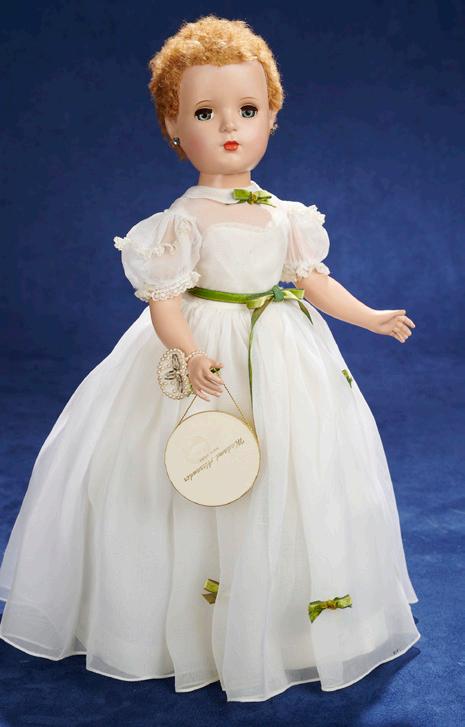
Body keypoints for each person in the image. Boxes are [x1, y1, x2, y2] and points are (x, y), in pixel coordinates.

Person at [0, 14, 420, 702]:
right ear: (173, 124)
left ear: (272, 116)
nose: (229, 125)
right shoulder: (180, 222)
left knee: (295, 468)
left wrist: (369, 316)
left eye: (247, 109)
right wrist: (191, 354)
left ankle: (284, 623)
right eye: (204, 112)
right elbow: (165, 303)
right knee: (182, 472)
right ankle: (183, 625)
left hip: (281, 351)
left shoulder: (285, 215)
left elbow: (311, 280)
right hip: (207, 350)